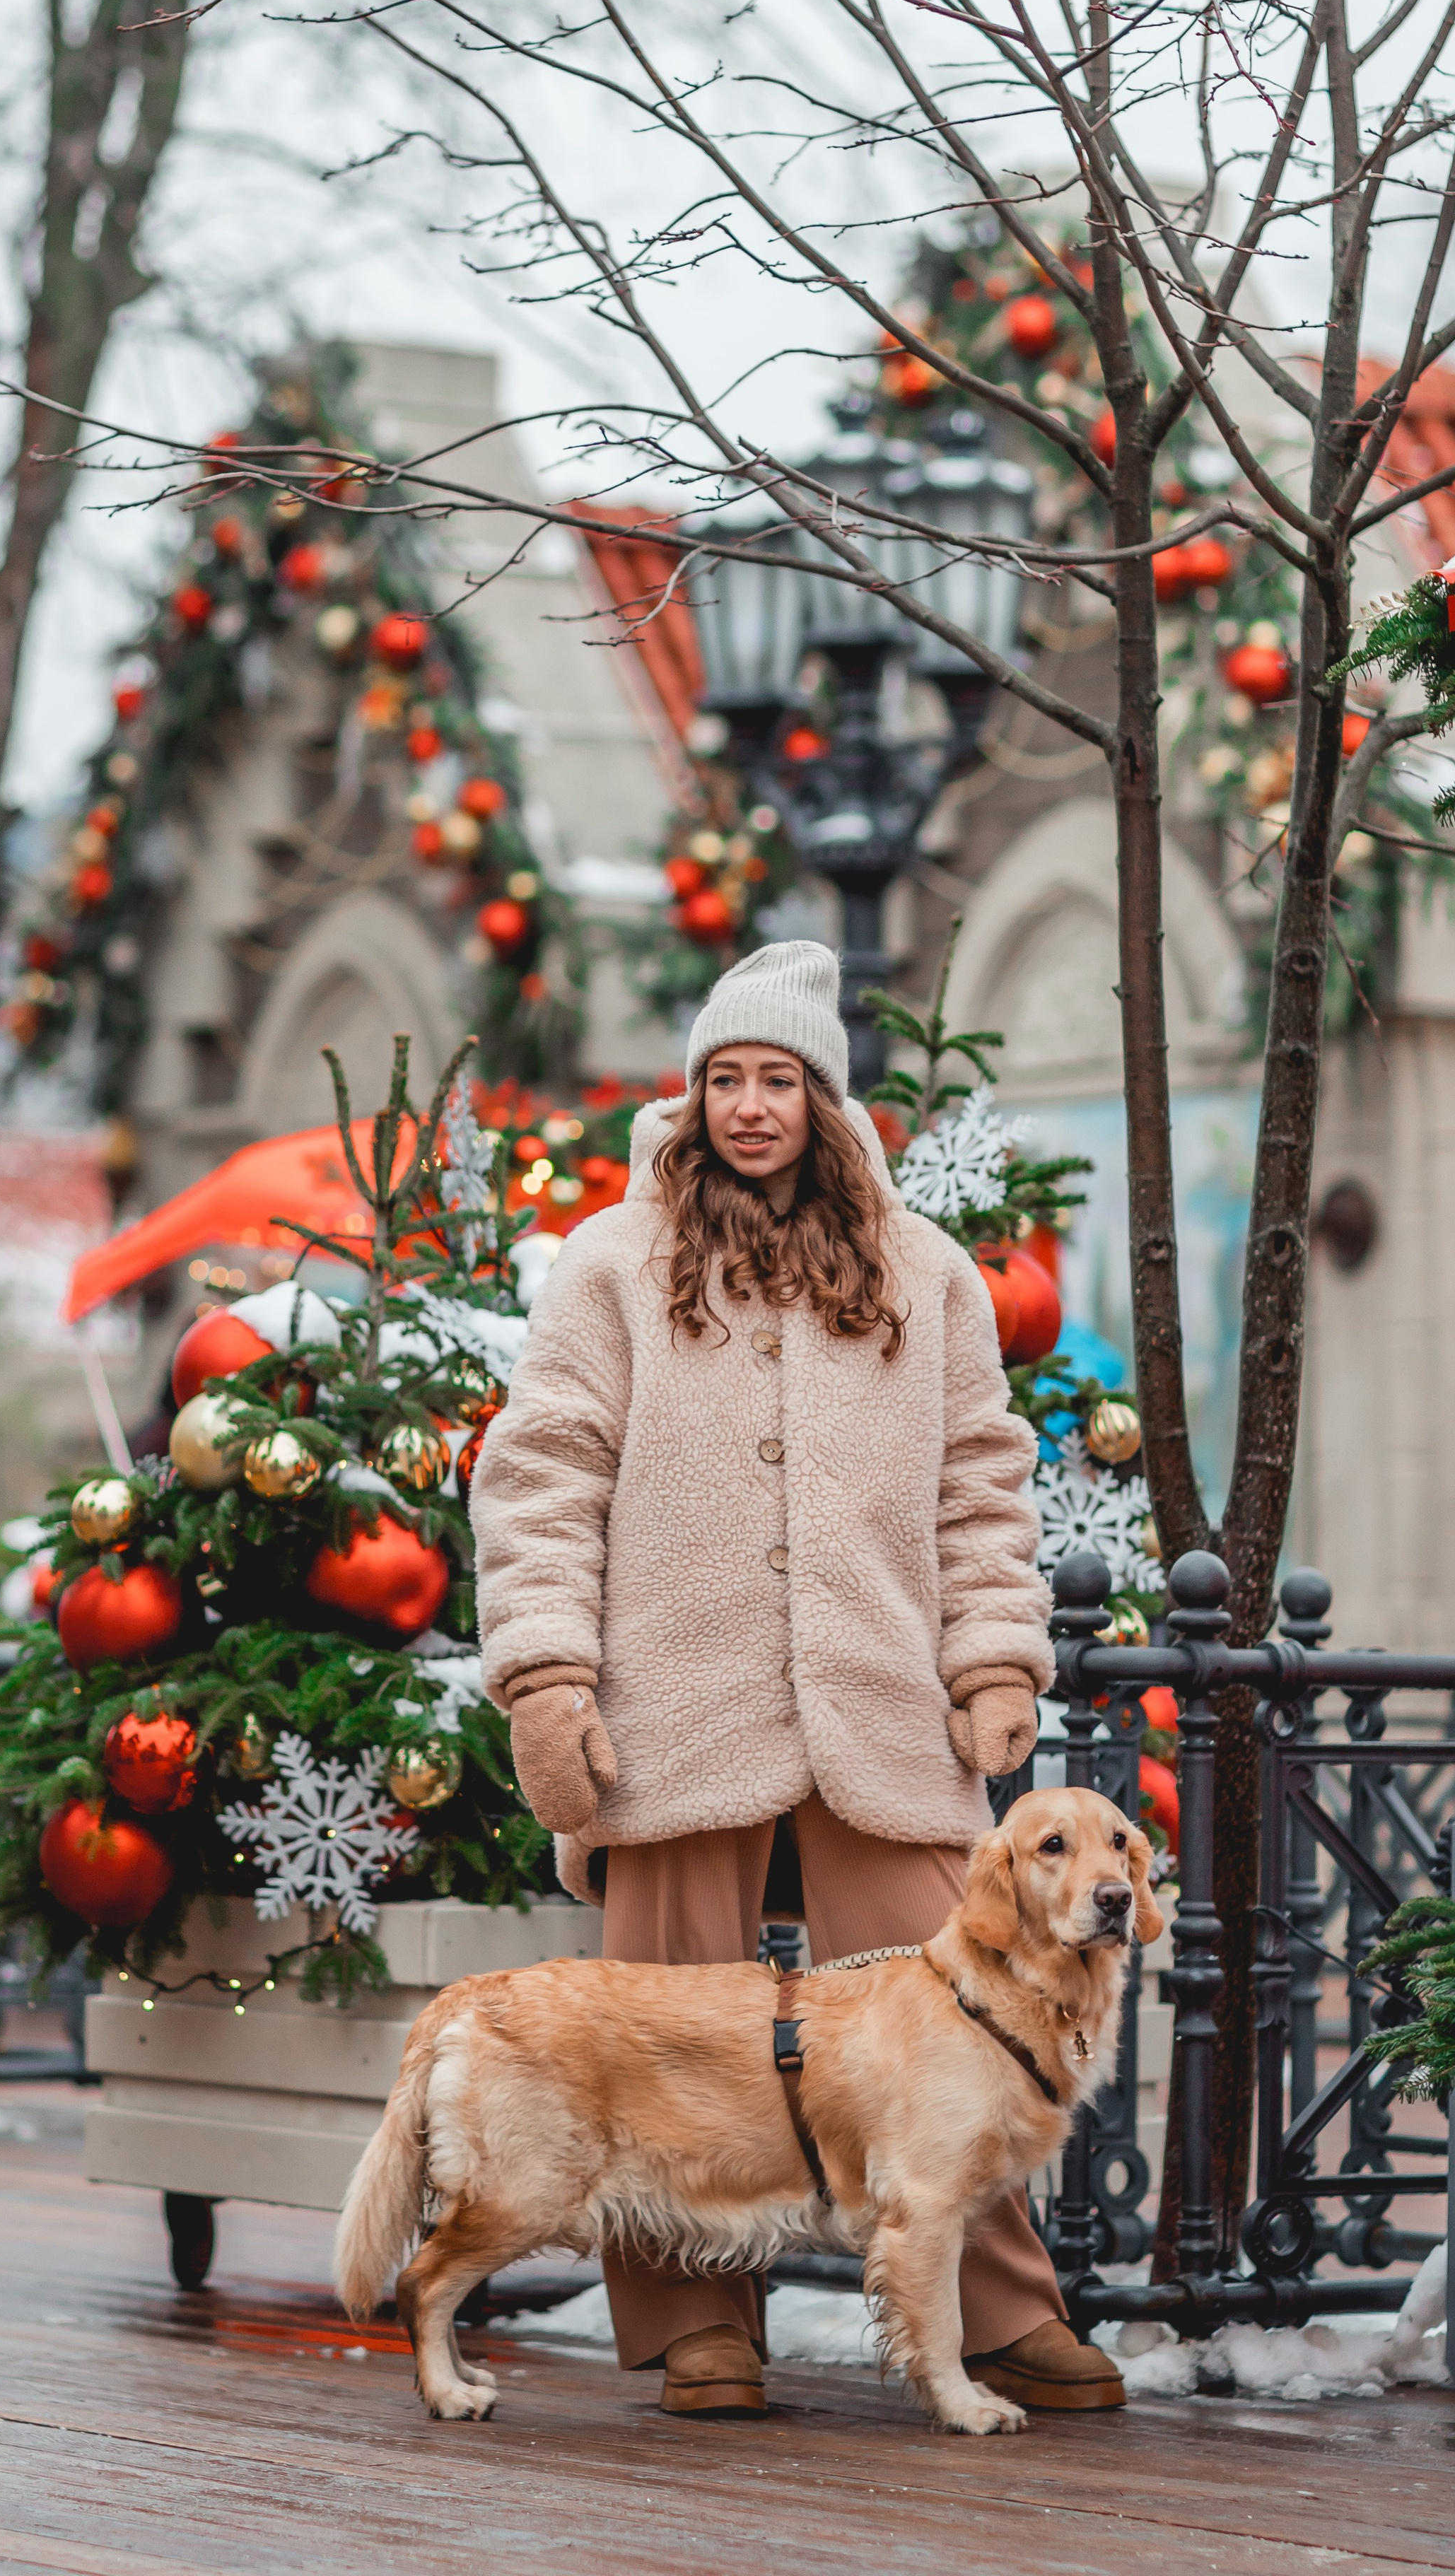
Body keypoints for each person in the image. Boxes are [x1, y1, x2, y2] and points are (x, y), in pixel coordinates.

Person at [470, 938, 1123, 2418]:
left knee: (976, 2005)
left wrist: (994, 1656)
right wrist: (549, 1676)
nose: (747, 1106)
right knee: (658, 2031)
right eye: (722, 1079)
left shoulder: (926, 1272)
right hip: (669, 1713)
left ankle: (1002, 2306)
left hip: (881, 1705)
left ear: (823, 1102)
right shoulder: (612, 1262)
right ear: (690, 1098)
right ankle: (695, 2319)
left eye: (775, 1080)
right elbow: (541, 1477)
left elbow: (979, 1481)